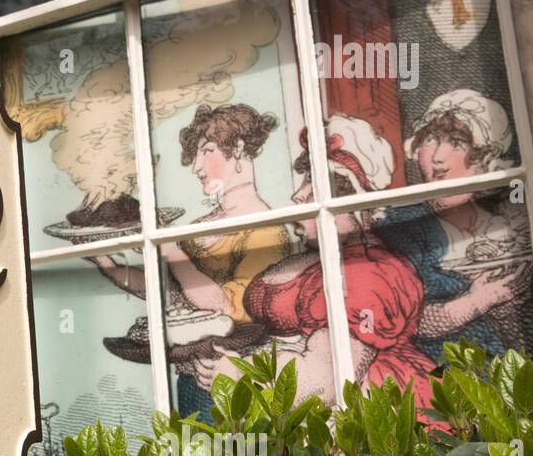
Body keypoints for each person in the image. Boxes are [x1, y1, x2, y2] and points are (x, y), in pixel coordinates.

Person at [187, 115, 440, 421]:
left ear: (346, 202)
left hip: (364, 417)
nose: (297, 196)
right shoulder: (318, 258)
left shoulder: (369, 274)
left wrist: (240, 375)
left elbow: (325, 381)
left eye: (311, 185)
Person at [88, 103, 291, 419]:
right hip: (190, 383)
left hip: (237, 391)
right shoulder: (199, 228)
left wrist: (170, 249)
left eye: (206, 151)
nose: (197, 167)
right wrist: (104, 263)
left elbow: (225, 311)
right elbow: (170, 294)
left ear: (237, 148)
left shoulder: (266, 228)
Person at [373, 90, 533, 363]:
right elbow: (403, 322)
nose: (438, 158)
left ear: (486, 157)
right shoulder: (399, 230)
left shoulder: (513, 220)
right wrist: (480, 300)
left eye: (457, 143)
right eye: (431, 140)